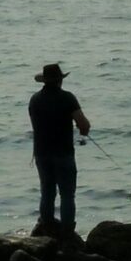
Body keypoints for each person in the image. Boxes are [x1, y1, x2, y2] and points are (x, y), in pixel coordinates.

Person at [28, 62, 90, 234]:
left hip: (41, 153)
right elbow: (84, 124)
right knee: (67, 195)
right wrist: (83, 134)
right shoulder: (67, 98)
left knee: (47, 192)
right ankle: (67, 231)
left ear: (44, 81)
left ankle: (46, 225)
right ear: (60, 80)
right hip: (63, 153)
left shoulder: (34, 100)